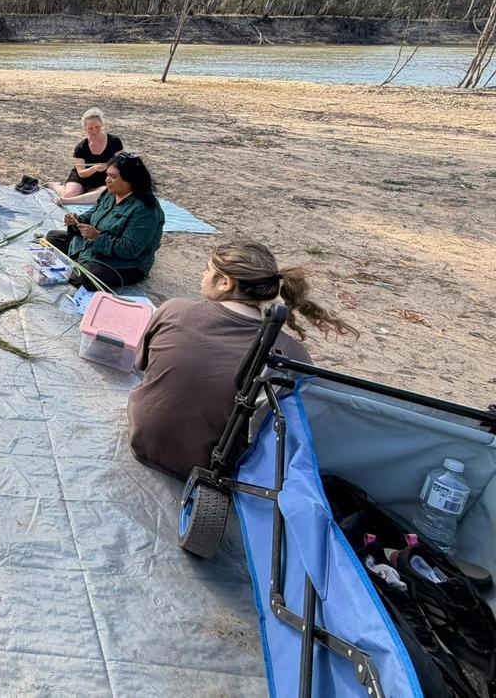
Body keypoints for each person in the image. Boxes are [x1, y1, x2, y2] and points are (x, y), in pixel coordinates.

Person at [127, 240, 356, 480]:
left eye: (207, 269)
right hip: (212, 467)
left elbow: (141, 364)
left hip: (142, 439)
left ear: (225, 282)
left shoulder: (174, 310)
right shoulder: (291, 354)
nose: (202, 274)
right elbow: (291, 424)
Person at [44, 153, 165, 288]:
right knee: (52, 237)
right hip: (92, 248)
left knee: (84, 276)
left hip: (125, 264)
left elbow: (130, 249)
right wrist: (76, 221)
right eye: (107, 175)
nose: (107, 180)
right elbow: (92, 214)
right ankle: (81, 262)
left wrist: (97, 236)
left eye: (113, 177)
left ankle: (81, 265)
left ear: (130, 180)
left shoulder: (145, 210)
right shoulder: (109, 193)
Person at [45, 107, 125, 205]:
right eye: (90, 128)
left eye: (97, 127)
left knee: (105, 193)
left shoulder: (114, 141)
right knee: (68, 194)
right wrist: (94, 168)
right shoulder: (80, 148)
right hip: (83, 178)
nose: (94, 131)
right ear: (85, 129)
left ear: (102, 125)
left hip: (104, 179)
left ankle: (70, 201)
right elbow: (81, 173)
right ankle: (55, 185)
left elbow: (121, 163)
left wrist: (108, 166)